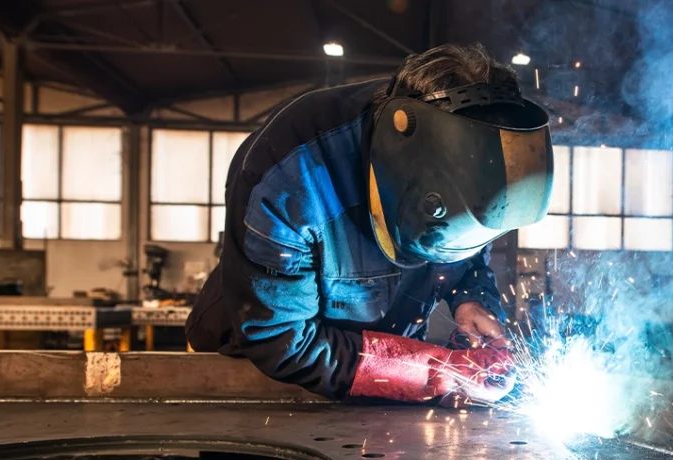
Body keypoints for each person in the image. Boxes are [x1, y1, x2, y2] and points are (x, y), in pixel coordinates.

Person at [186, 43, 553, 405]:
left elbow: (464, 255)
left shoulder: (468, 174)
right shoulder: (289, 177)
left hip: (388, 377)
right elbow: (282, 340)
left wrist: (472, 299)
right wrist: (437, 370)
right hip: (253, 381)